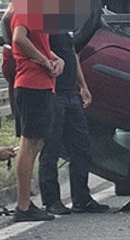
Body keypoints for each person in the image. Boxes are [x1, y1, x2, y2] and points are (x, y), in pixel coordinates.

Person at [39, 33, 110, 215]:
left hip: (71, 92)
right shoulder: (41, 24)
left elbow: (73, 55)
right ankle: (51, 200)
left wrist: (83, 86)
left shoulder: (63, 25)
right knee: (51, 147)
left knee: (81, 147)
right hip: (53, 91)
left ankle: (81, 198)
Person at [10, 3, 64, 222]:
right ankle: (23, 205)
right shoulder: (26, 11)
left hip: (41, 85)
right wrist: (44, 61)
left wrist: (58, 60)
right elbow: (18, 38)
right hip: (32, 84)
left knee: (36, 143)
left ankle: (25, 202)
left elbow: (40, 45)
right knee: (29, 144)